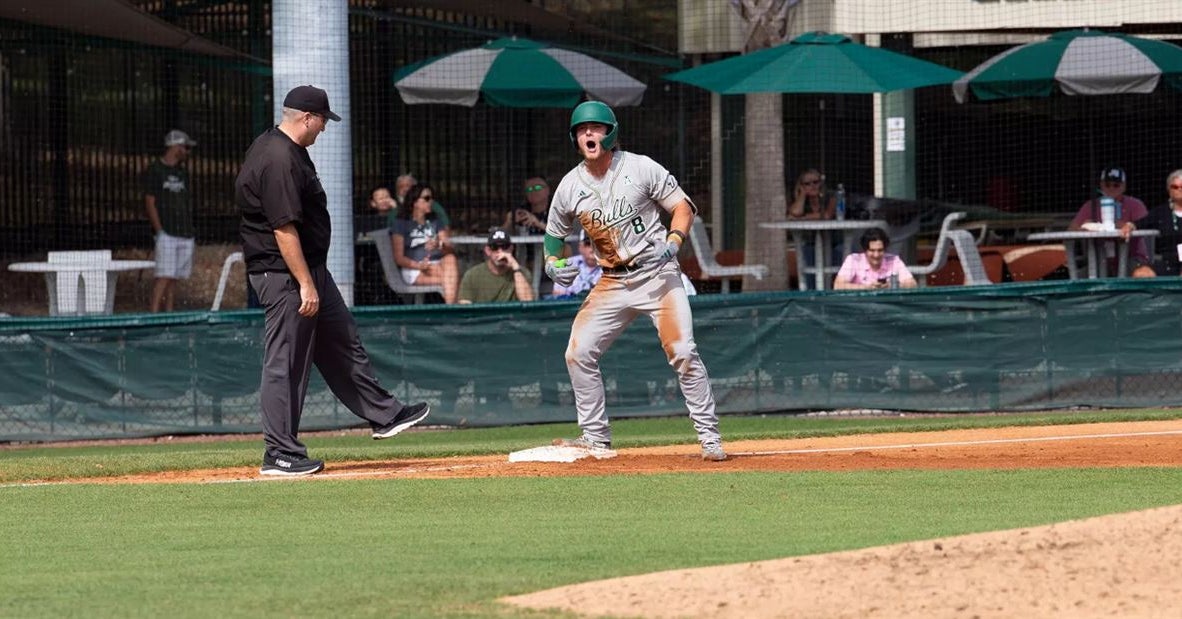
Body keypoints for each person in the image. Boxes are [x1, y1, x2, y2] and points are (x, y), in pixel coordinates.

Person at [235, 84, 430, 476]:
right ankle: (279, 452)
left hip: (309, 270)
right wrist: (305, 283)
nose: (324, 127)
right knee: (287, 361)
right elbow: (283, 229)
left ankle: (384, 414)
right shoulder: (278, 158)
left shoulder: (289, 149)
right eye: (322, 120)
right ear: (307, 118)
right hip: (285, 274)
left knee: (342, 341)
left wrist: (313, 277)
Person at [543, 100, 726, 462]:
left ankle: (710, 438)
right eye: (581, 130)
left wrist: (674, 241)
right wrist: (552, 262)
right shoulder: (569, 186)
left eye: (595, 128)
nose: (588, 134)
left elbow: (682, 207)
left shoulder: (640, 167)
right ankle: (595, 437)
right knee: (578, 353)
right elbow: (554, 234)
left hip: (657, 274)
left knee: (683, 352)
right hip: (612, 280)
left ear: (610, 133)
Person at [143, 129, 197, 312]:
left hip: (184, 231)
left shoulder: (183, 172)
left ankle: (169, 312)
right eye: (185, 147)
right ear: (175, 147)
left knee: (174, 277)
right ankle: (153, 313)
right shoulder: (155, 170)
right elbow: (150, 202)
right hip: (167, 231)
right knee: (164, 275)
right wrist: (159, 229)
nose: (187, 152)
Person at [1068, 167, 1150, 272]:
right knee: (1079, 277)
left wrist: (1124, 225)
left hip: (1132, 258)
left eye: (1116, 185)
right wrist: (1083, 228)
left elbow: (1146, 226)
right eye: (1107, 185)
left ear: (1124, 186)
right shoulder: (1091, 205)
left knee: (1140, 272)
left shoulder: (1135, 205)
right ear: (1101, 185)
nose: (1111, 188)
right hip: (1098, 260)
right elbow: (1071, 230)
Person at [390, 182, 460, 304]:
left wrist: (439, 244)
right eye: (427, 198)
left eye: (432, 198)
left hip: (437, 266)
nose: (431, 201)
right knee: (452, 281)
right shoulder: (401, 223)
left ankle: (450, 309)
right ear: (415, 201)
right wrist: (420, 266)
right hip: (414, 269)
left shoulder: (435, 220)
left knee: (450, 258)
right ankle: (453, 309)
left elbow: (449, 248)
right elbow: (398, 258)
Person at [787, 167, 841, 288]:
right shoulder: (802, 201)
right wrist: (802, 195)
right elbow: (794, 213)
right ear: (801, 186)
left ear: (821, 183)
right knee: (807, 255)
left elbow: (827, 215)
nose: (812, 186)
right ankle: (810, 292)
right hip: (810, 243)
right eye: (807, 184)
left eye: (815, 182)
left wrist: (802, 218)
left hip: (834, 242)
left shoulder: (831, 196)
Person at [457, 228, 535, 304]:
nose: (500, 251)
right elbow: (465, 306)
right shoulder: (472, 275)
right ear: (488, 251)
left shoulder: (522, 273)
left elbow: (528, 303)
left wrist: (516, 268)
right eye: (495, 247)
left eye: (504, 247)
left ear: (511, 249)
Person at [1128, 169, 1182, 278]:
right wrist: (1129, 226)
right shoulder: (1161, 212)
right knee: (1141, 274)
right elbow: (1141, 223)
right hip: (1168, 263)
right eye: (1175, 187)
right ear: (1169, 190)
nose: (1179, 189)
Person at [833, 227, 917, 290]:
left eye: (880, 250)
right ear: (865, 250)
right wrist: (866, 287)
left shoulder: (894, 260)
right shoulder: (853, 260)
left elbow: (913, 284)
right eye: (872, 250)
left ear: (885, 249)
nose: (876, 255)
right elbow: (838, 285)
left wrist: (893, 286)